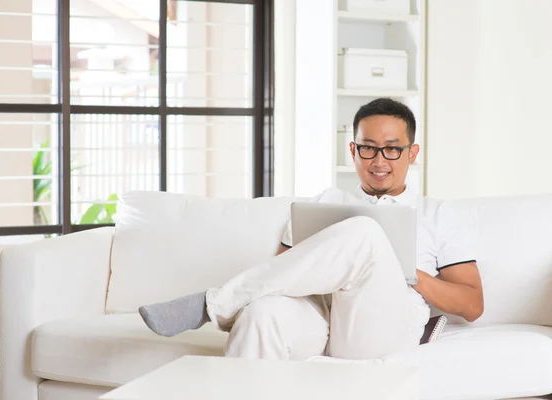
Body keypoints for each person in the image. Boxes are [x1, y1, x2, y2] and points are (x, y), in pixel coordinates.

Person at [138, 98, 484, 361]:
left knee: (364, 231)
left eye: (393, 149)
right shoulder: (324, 202)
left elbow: (472, 304)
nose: (379, 161)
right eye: (368, 148)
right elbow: (281, 272)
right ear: (353, 150)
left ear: (412, 153)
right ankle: (228, 311)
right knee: (262, 311)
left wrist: (406, 271)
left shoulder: (438, 213)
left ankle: (213, 303)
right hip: (318, 319)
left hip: (380, 325)